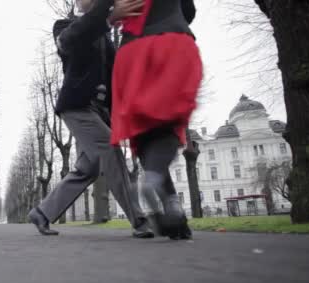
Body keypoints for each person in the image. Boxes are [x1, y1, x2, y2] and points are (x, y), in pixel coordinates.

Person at [28, 0, 155, 238]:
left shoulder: (105, 38)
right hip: (77, 107)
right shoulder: (64, 27)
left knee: (88, 168)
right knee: (110, 147)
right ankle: (138, 218)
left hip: (100, 112)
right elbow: (74, 38)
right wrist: (107, 15)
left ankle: (42, 213)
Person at [108, 0, 202, 239]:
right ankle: (152, 181)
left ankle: (173, 210)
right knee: (170, 120)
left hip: (130, 53)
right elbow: (188, 11)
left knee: (144, 130)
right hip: (171, 41)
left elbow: (89, 7)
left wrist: (110, 17)